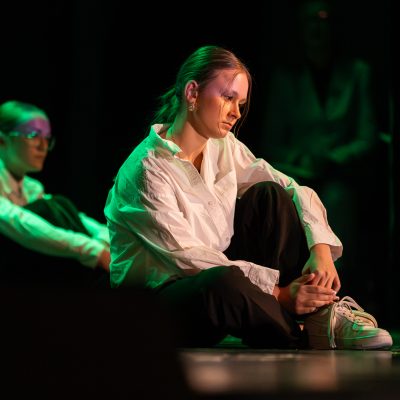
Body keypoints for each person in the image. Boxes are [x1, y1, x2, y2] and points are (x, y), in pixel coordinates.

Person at [104, 45, 392, 349]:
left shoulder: (223, 145)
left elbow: (292, 188)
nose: (237, 113)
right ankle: (307, 332)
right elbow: (189, 259)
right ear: (192, 93)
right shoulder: (147, 170)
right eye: (228, 98)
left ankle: (320, 312)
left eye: (240, 103)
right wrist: (279, 293)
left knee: (270, 196)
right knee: (221, 282)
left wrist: (319, 247)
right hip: (158, 307)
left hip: (225, 289)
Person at [258, 0, 382, 289]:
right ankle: (291, 285)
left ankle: (336, 289)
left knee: (337, 200)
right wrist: (302, 159)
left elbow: (368, 136)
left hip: (341, 175)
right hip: (296, 172)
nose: (317, 26)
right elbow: (271, 140)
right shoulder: (286, 77)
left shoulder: (357, 72)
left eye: (323, 18)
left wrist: (332, 158)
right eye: (310, 19)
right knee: (287, 197)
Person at [0, 100, 110, 287]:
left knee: (58, 204)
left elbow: (74, 216)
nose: (43, 146)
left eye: (47, 138)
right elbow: (19, 221)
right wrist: (93, 250)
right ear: (3, 140)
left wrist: (106, 237)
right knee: (47, 209)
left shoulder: (31, 187)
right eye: (34, 135)